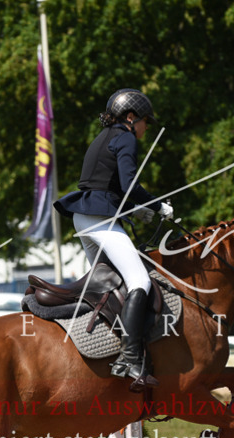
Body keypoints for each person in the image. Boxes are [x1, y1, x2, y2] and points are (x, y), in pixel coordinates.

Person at [53, 88, 173, 391]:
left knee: (111, 284)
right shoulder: (126, 137)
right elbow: (130, 183)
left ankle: (109, 348)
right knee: (139, 281)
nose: (146, 127)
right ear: (131, 117)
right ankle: (131, 358)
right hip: (100, 219)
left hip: (85, 217)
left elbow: (111, 187)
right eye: (145, 121)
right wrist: (157, 205)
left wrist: (136, 209)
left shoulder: (103, 138)